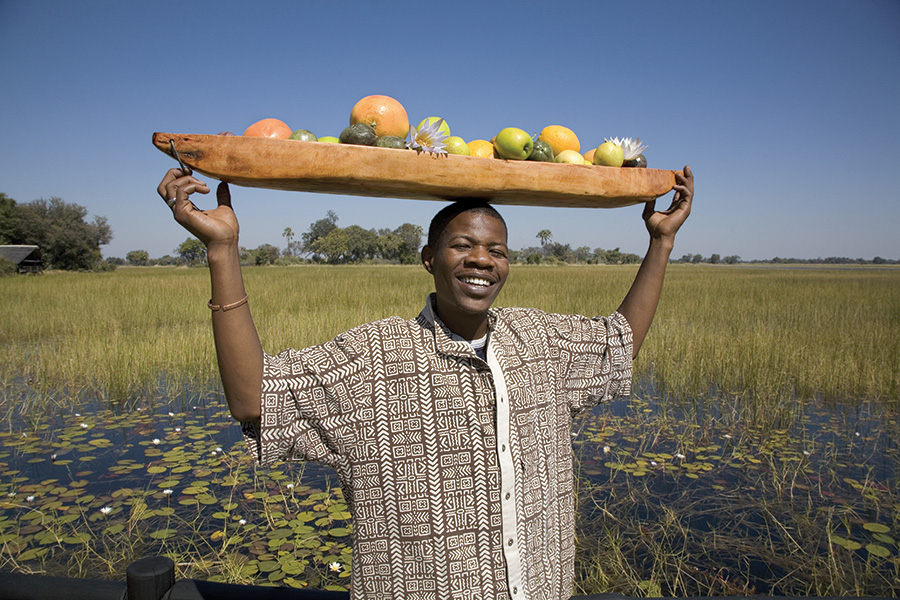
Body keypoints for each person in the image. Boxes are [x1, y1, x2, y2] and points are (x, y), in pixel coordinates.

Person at [156, 166, 693, 600]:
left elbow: (619, 341)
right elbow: (255, 400)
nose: (482, 259)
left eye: (497, 251)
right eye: (463, 246)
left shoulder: (539, 342)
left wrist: (661, 243)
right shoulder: (374, 359)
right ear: (429, 258)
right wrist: (222, 250)